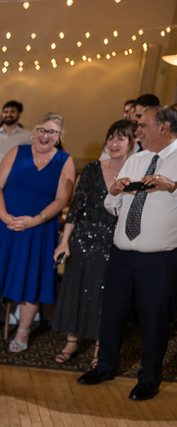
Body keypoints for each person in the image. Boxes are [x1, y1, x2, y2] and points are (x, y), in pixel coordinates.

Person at [78, 105, 177, 401]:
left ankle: (149, 377)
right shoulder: (136, 160)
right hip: (122, 252)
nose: (137, 131)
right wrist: (116, 191)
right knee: (112, 313)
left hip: (159, 258)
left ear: (165, 127)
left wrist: (172, 188)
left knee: (153, 318)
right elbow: (113, 207)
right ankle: (105, 365)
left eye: (144, 125)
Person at [0, 113, 75, 352]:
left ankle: (23, 331)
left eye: (51, 132)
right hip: (4, 224)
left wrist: (35, 221)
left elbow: (62, 199)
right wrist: (5, 216)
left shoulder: (65, 161)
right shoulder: (17, 152)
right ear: (34, 131)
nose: (45, 135)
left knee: (32, 279)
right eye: (41, 129)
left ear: (58, 137)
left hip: (39, 229)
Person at [51, 120, 134, 365]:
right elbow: (76, 208)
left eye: (120, 138)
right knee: (76, 289)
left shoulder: (137, 172)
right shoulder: (92, 169)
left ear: (131, 143)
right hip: (84, 238)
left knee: (104, 294)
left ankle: (101, 345)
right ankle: (71, 342)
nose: (114, 143)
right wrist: (64, 241)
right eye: (111, 138)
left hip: (115, 241)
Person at [0, 101, 33, 182]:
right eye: (5, 112)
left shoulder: (28, 136)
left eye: (12, 112)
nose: (8, 114)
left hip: (17, 179)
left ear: (19, 114)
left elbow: (32, 159)